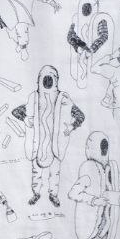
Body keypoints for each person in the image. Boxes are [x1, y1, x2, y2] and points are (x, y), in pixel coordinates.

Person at [12, 64, 84, 207]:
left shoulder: (63, 99)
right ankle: (36, 193)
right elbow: (16, 111)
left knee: (55, 172)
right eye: (44, 78)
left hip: (56, 144)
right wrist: (26, 119)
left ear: (56, 80)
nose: (47, 81)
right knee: (36, 171)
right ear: (39, 80)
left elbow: (80, 116)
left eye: (50, 78)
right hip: (37, 143)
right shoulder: (34, 98)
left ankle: (53, 195)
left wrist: (71, 126)